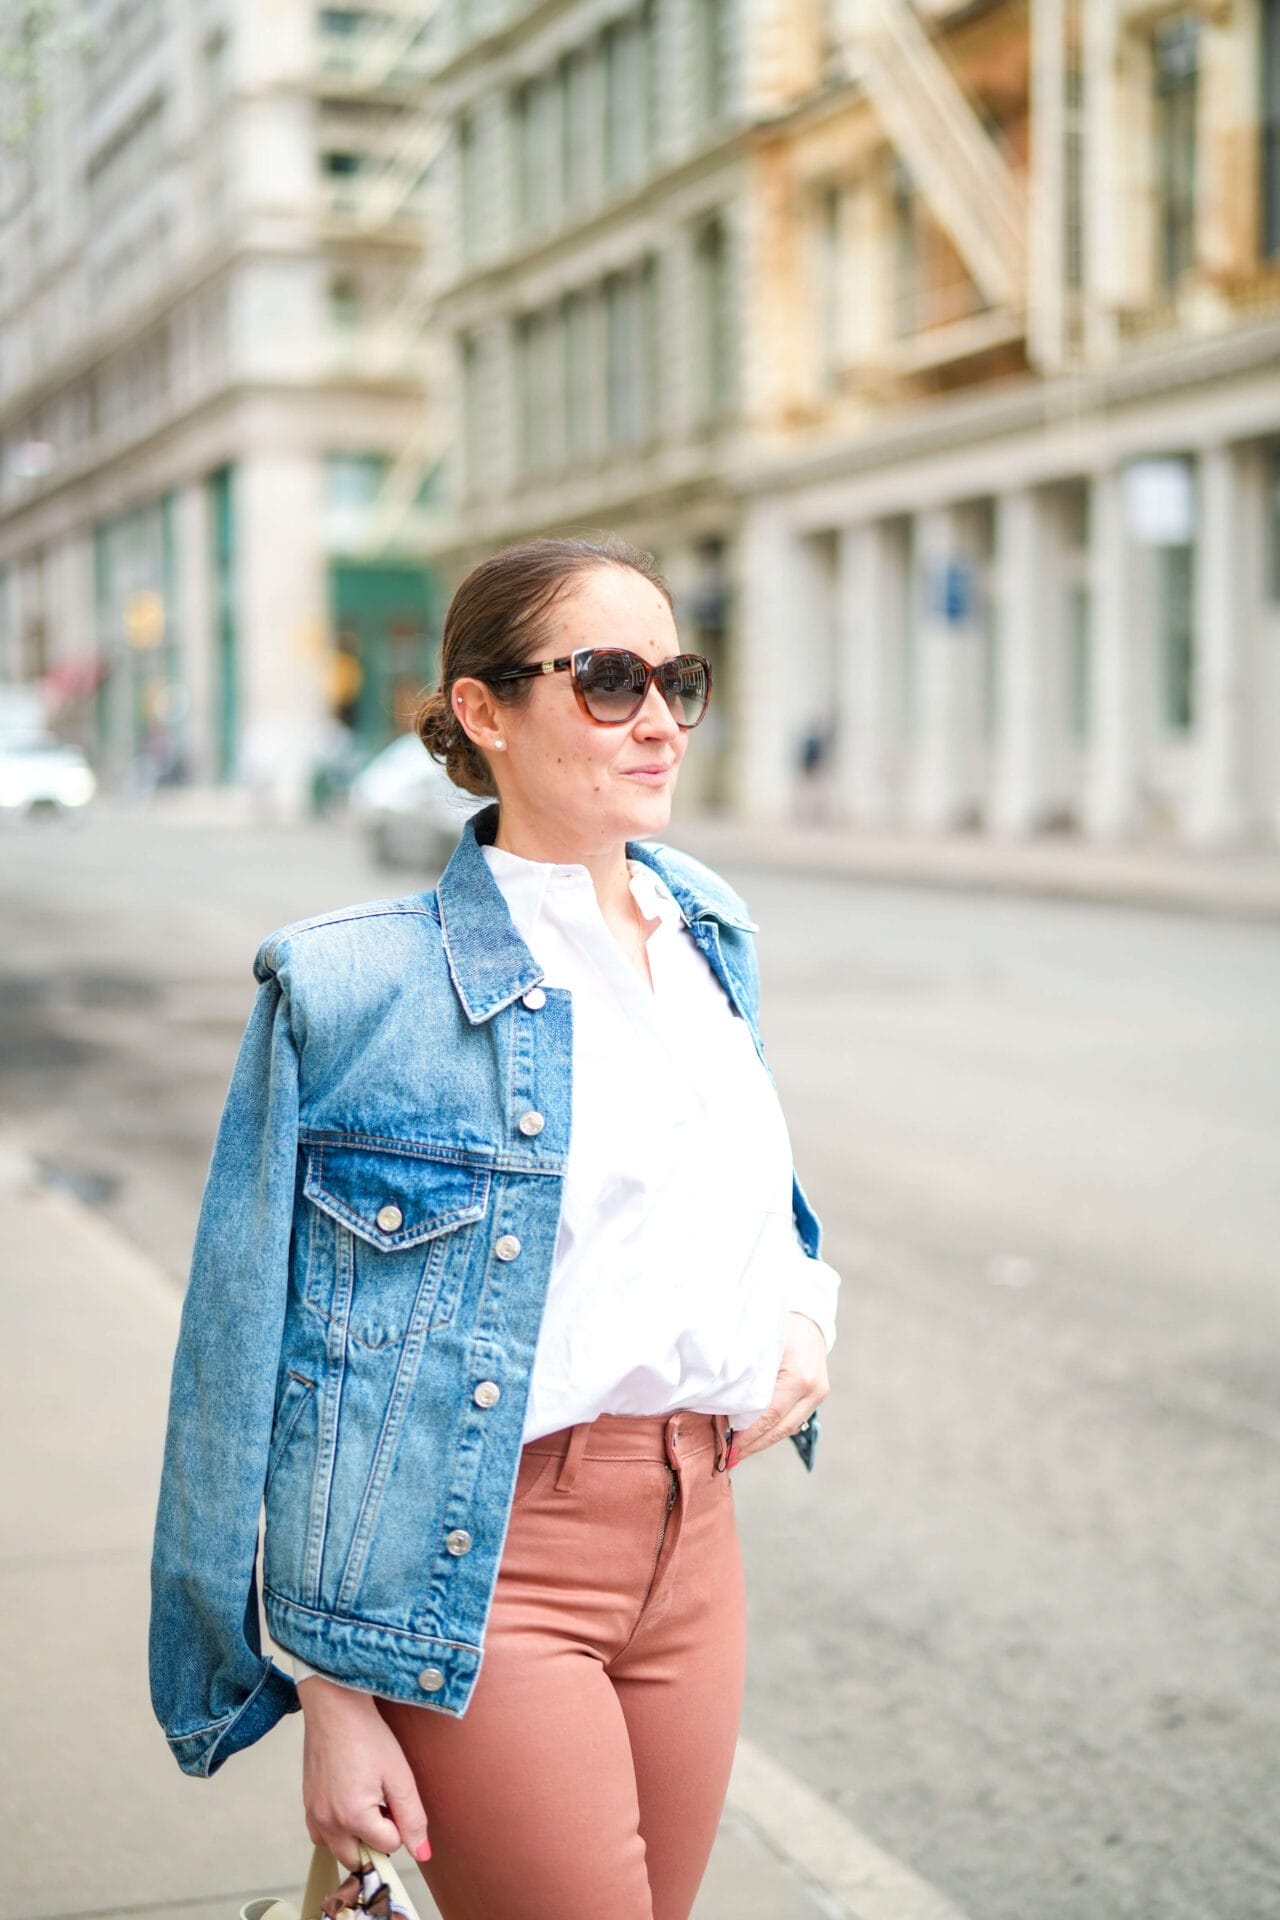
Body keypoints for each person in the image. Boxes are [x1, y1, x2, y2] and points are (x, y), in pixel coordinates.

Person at [149, 533, 840, 1920]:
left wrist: (808, 1315)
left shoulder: (706, 924)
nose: (657, 718)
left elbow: (755, 1190)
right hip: (483, 1573)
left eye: (677, 678)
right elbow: (255, 1363)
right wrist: (327, 1688)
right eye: (606, 678)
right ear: (484, 710)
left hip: (695, 1543)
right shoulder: (353, 986)